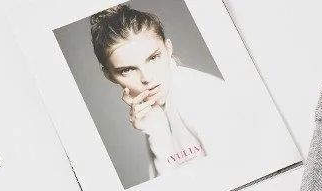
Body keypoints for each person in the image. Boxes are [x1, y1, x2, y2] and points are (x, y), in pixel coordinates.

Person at [90, 4, 224, 179]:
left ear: (168, 49)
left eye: (153, 58)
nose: (146, 77)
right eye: (127, 70)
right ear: (109, 76)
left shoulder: (198, 95)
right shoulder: (158, 109)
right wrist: (154, 126)